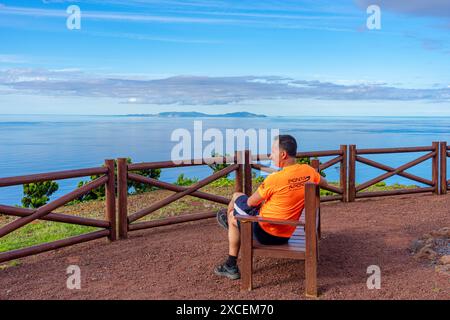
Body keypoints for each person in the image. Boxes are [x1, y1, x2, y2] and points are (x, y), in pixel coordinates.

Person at [214, 134, 328, 280]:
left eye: (272, 151)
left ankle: (231, 262)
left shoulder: (274, 179)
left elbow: (250, 203)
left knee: (236, 199)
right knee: (240, 208)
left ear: (283, 154)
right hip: (286, 233)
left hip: (266, 233)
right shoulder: (309, 171)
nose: (270, 155)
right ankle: (233, 222)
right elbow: (324, 183)